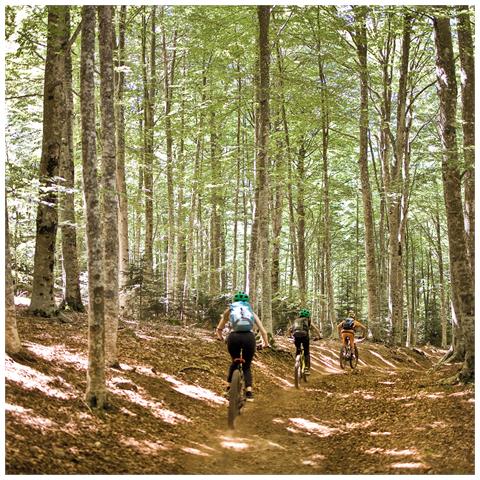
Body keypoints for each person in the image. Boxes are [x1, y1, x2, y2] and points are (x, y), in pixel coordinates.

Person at [215, 291, 269, 402]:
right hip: (249, 338)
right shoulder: (251, 312)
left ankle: (228, 388)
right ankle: (249, 392)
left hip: (233, 337)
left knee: (234, 362)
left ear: (235, 301)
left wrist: (220, 336)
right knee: (246, 366)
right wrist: (266, 343)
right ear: (247, 303)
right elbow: (263, 331)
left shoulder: (230, 310)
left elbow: (219, 328)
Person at [288, 308, 321, 375]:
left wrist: (290, 336)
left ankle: (296, 363)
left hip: (296, 336)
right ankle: (306, 368)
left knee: (298, 349)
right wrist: (319, 336)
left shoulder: (296, 321)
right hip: (305, 337)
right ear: (308, 316)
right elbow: (315, 329)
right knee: (306, 352)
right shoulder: (307, 320)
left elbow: (290, 329)